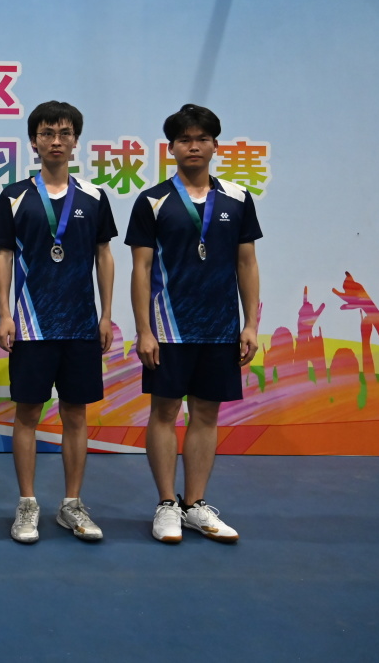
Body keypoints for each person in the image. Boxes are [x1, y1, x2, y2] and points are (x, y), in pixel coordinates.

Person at [126, 104, 261, 544]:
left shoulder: (237, 199)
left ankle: (195, 504)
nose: (194, 146)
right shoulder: (152, 201)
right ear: (172, 148)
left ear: (215, 145)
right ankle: (167, 504)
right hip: (169, 328)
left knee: (206, 413)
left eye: (202, 138)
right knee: (164, 412)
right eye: (185, 139)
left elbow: (247, 263)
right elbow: (141, 269)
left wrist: (250, 324)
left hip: (220, 328)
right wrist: (144, 330)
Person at [0, 101, 117, 544]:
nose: (55, 141)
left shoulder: (94, 197)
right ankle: (27, 504)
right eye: (46, 133)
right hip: (31, 326)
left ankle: (72, 504)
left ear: (76, 141)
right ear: (33, 141)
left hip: (80, 326)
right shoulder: (15, 196)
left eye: (63, 133)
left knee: (76, 414)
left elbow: (103, 255)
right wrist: (5, 313)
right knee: (27, 414)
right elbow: (4, 256)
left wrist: (106, 314)